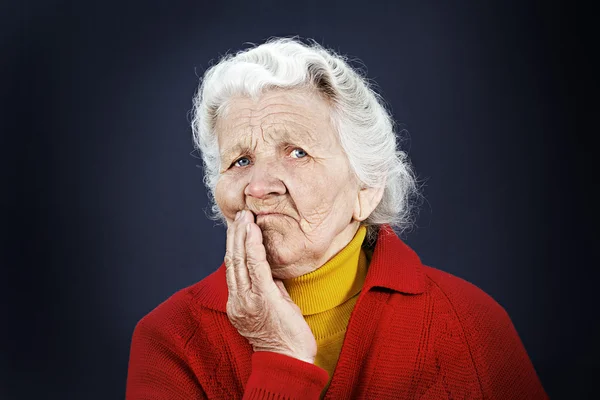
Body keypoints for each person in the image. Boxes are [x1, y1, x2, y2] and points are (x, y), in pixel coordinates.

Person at [125, 37, 547, 399]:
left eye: (297, 152)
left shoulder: (469, 323)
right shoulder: (170, 339)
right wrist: (281, 358)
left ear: (367, 188)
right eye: (240, 160)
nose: (257, 186)